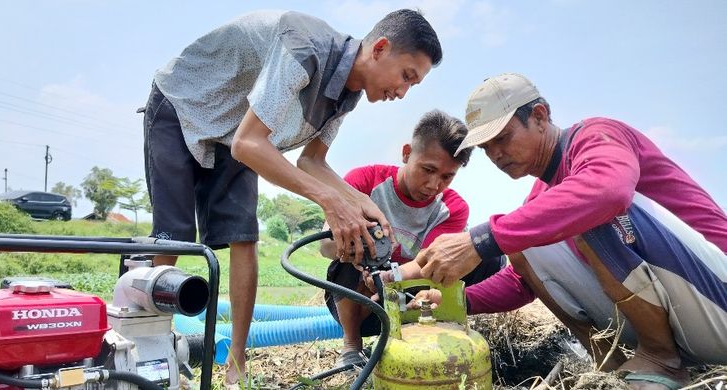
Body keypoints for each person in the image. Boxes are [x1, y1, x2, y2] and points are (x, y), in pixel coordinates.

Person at [142, 9, 442, 386]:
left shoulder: (346, 95)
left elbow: (312, 161)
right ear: (380, 48)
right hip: (184, 104)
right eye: (406, 77)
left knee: (244, 236)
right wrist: (330, 203)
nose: (402, 92)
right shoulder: (305, 48)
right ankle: (150, 350)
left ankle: (236, 366)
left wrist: (358, 201)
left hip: (237, 130)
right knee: (176, 234)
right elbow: (250, 143)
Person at [413, 73, 727, 389]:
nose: (495, 154)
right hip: (692, 325)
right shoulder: (542, 192)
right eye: (485, 147)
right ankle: (611, 364)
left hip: (717, 294)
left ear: (539, 116)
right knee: (521, 244)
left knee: (583, 212)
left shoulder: (596, 136)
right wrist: (458, 302)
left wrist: (480, 241)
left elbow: (609, 193)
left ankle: (662, 360)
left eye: (503, 137)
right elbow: (524, 281)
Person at [319, 109, 506, 368]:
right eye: (427, 169)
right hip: (361, 303)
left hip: (414, 295)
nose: (433, 185)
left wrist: (388, 279)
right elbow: (324, 246)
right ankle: (351, 347)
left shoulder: (452, 208)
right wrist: (354, 246)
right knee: (346, 258)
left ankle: (441, 329)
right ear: (407, 153)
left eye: (446, 177)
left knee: (486, 254)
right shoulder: (364, 181)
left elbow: (431, 263)